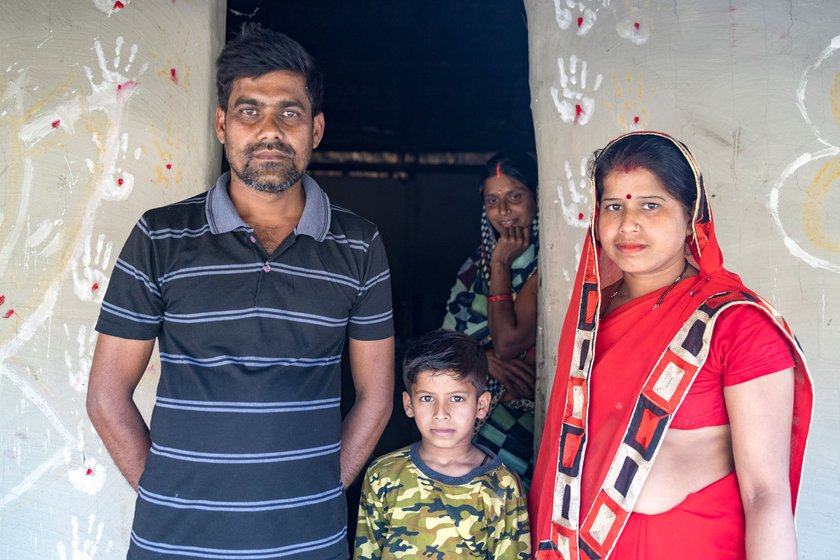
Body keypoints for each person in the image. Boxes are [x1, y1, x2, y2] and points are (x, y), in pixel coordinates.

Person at [86, 24, 395, 560]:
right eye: (249, 111)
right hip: (172, 544)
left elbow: (377, 399)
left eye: (290, 112)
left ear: (316, 129)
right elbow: (106, 396)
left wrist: (318, 495)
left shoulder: (359, 245)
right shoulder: (160, 237)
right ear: (221, 125)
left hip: (309, 544)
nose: (270, 129)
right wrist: (167, 498)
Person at [530, 131, 813, 560]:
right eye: (613, 206)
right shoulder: (591, 319)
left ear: (691, 216)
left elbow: (765, 494)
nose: (628, 224)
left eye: (650, 205)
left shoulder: (737, 324)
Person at [353, 329, 530, 560]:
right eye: (427, 398)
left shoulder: (502, 486)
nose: (441, 413)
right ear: (408, 404)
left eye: (456, 398)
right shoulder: (382, 475)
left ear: (481, 405)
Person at [442, 151, 539, 489]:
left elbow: (509, 343)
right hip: (475, 414)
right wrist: (480, 360)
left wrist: (501, 265)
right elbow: (446, 346)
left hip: (528, 411)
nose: (503, 211)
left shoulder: (550, 261)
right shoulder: (475, 266)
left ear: (536, 197)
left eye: (515, 197)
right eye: (492, 200)